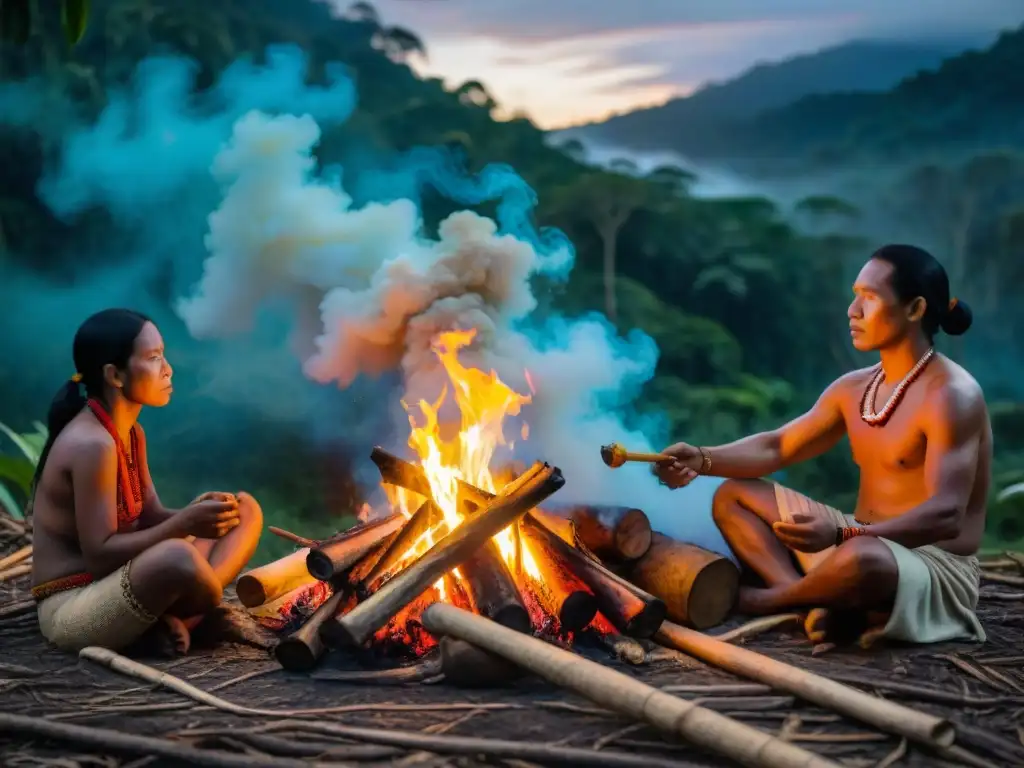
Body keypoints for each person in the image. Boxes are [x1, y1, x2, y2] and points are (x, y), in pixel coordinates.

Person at [655, 244, 989, 648]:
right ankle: (811, 601)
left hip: (929, 561)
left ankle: (768, 600)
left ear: (915, 309)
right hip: (853, 536)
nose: (853, 310)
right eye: (855, 294)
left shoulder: (952, 395)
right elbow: (778, 446)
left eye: (870, 297)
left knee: (863, 560)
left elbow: (947, 515)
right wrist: (704, 459)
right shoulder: (854, 388)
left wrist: (842, 533)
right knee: (733, 496)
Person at [29, 309, 264, 655]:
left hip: (122, 579)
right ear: (115, 375)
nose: (167, 369)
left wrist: (197, 513)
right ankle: (195, 611)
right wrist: (185, 523)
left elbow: (150, 514)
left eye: (163, 355)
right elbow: (99, 556)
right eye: (153, 358)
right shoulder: (93, 444)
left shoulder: (131, 433)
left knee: (242, 509)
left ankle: (182, 620)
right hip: (75, 607)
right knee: (178, 558)